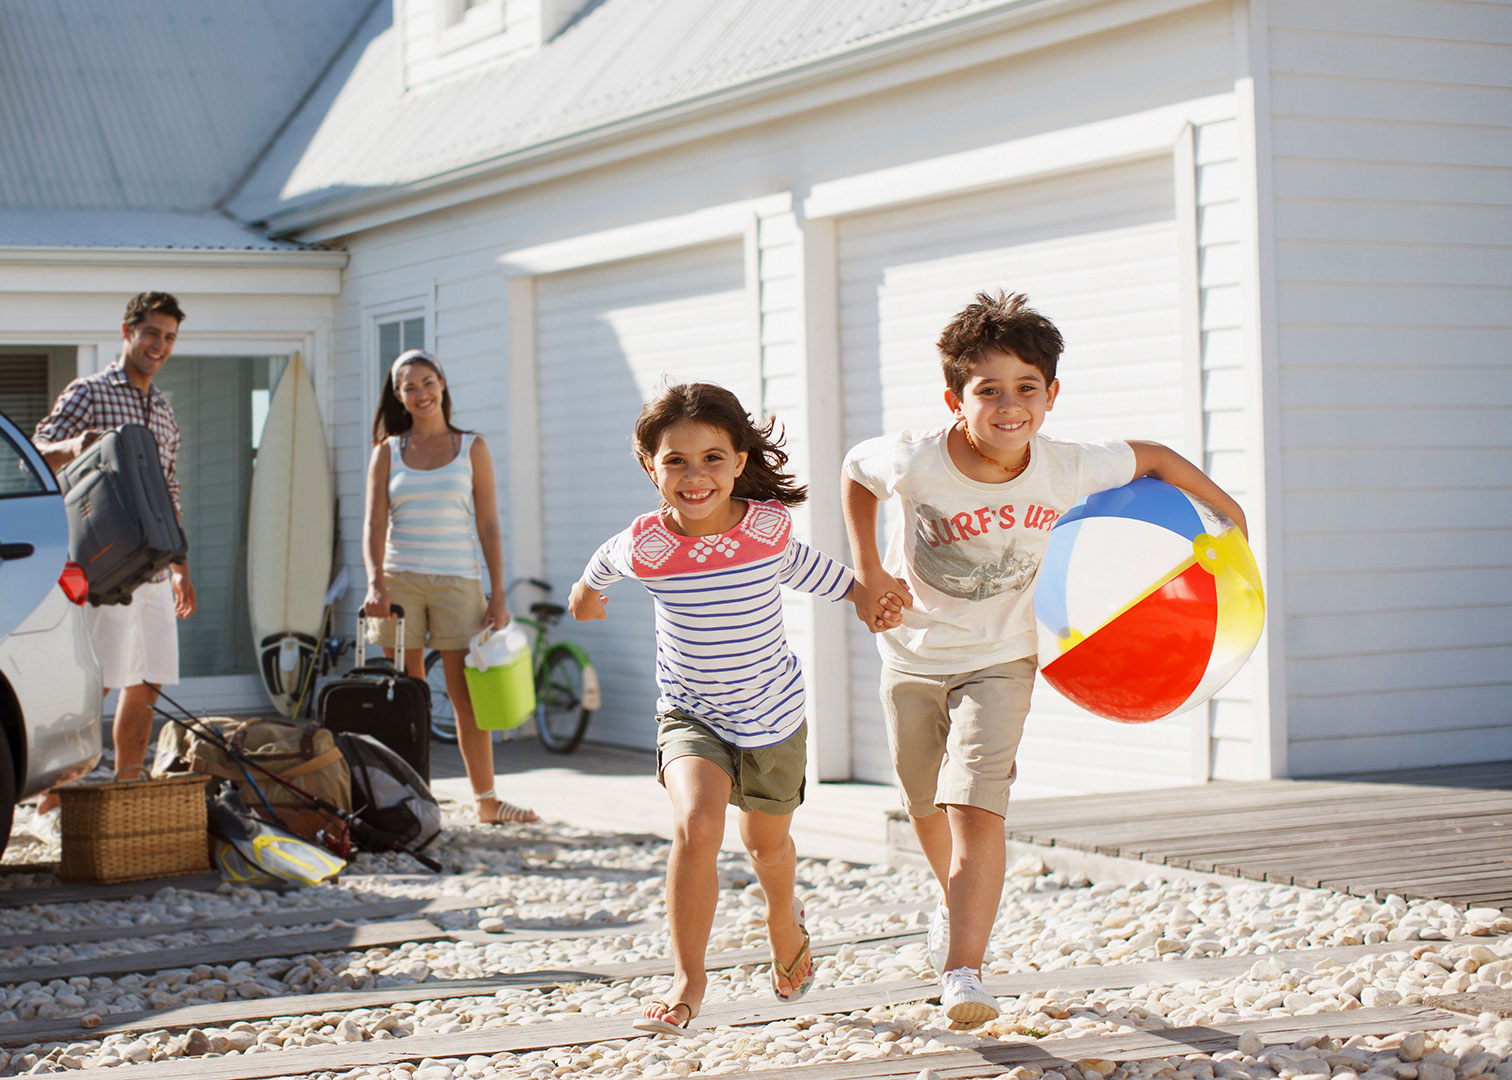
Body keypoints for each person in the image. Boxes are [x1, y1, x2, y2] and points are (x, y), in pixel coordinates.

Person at [841, 290, 1249, 1024]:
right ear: (954, 398)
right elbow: (854, 473)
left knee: (976, 806)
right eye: (987, 390)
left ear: (1051, 394)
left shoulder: (1066, 466)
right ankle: (951, 902)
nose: (1009, 406)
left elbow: (1154, 457)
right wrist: (868, 571)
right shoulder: (915, 458)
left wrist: (1231, 513)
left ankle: (964, 971)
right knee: (922, 801)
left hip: (1002, 658)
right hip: (912, 655)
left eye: (1027, 388)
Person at [567, 382, 883, 1036]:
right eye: (675, 460)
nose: (694, 475)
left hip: (772, 715)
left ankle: (781, 919)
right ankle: (688, 980)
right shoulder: (650, 545)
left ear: (740, 460)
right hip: (691, 714)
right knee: (697, 826)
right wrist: (584, 595)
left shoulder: (765, 531)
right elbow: (602, 564)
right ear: (650, 465)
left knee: (766, 849)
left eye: (713, 457)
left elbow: (815, 571)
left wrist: (865, 596)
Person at [29, 292, 198, 832]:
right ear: (127, 330)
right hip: (106, 568)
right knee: (94, 683)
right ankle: (49, 803)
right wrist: (76, 444)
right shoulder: (91, 392)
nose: (160, 346)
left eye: (169, 337)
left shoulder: (165, 410)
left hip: (154, 566)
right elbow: (35, 448)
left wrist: (181, 566)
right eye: (151, 333)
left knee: (147, 680)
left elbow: (170, 488)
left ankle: (128, 786)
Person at [362, 349, 539, 826]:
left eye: (427, 381)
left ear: (442, 384)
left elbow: (488, 524)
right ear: (398, 396)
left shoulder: (471, 447)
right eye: (409, 386)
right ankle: (414, 797)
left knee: (466, 699)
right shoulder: (388, 452)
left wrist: (498, 593)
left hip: (459, 583)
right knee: (407, 697)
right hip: (399, 584)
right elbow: (375, 523)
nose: (420, 393)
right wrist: (375, 582)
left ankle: (486, 801)